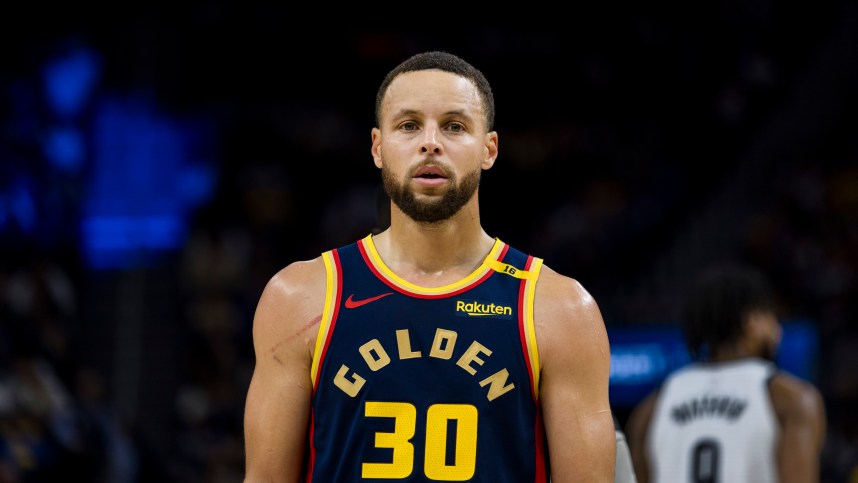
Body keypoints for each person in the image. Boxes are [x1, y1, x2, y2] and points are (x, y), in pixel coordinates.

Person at [242, 50, 616, 482]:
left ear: (489, 150)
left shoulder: (561, 309)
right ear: (378, 148)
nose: (431, 142)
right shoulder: (300, 295)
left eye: (454, 126)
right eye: (408, 125)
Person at [625, 264, 827, 483]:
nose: (778, 331)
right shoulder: (791, 398)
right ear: (752, 321)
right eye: (772, 318)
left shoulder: (650, 409)